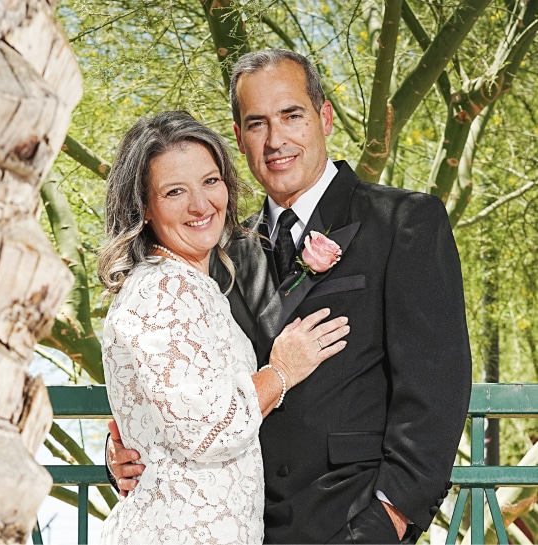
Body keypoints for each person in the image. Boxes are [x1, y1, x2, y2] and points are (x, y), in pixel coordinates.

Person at [107, 50, 473, 544]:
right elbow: (179, 379)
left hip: (352, 521)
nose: (276, 140)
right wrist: (123, 452)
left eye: (291, 116)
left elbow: (437, 390)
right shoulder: (216, 249)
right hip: (242, 525)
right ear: (239, 138)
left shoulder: (404, 222)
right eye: (257, 124)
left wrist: (392, 516)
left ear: (323, 116)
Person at [97, 110, 350, 544]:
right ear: (143, 205)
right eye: (175, 191)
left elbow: (173, 403)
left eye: (210, 182)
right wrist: (282, 370)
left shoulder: (201, 279)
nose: (200, 205)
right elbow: (208, 427)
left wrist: (126, 446)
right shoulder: (164, 289)